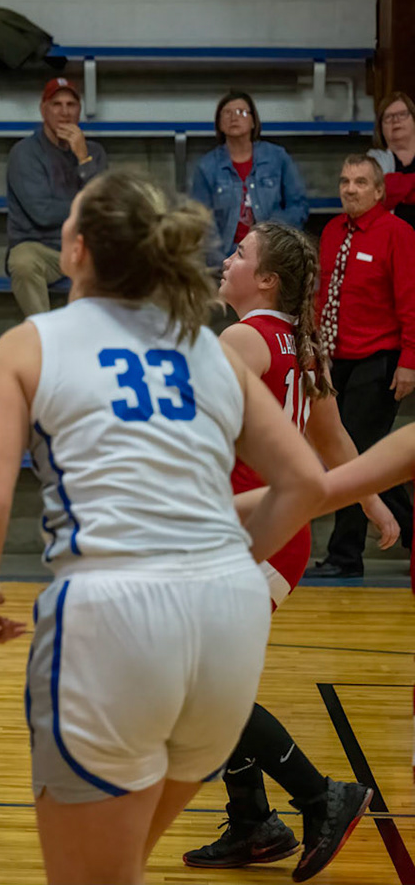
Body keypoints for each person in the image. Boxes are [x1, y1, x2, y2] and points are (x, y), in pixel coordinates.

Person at [0, 171, 329, 885]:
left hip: (114, 612)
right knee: (121, 865)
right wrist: (225, 564)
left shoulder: (33, 342)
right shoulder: (206, 348)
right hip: (229, 619)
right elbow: (307, 484)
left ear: (75, 250)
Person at [181, 221, 387, 879]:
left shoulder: (243, 339)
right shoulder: (300, 344)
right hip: (278, 537)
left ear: (266, 280)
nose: (227, 259)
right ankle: (253, 824)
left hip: (250, 532)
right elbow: (334, 441)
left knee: (202, 686)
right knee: (212, 682)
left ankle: (321, 797)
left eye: (241, 254)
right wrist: (373, 502)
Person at [304, 154, 415, 578]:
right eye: (345, 181)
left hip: (379, 358)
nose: (350, 189)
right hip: (335, 358)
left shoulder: (397, 233)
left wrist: (409, 361)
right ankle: (409, 529)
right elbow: (320, 296)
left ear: (379, 191)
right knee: (362, 456)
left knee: (352, 459)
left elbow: (410, 300)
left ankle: (345, 555)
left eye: (361, 182)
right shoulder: (334, 230)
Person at [7, 78, 109, 317]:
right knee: (23, 263)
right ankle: (45, 333)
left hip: (84, 247)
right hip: (41, 247)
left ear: (79, 110)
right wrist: (87, 208)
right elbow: (42, 213)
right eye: (57, 104)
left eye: (71, 105)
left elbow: (105, 208)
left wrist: (84, 160)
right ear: (44, 110)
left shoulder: (94, 153)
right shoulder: (25, 153)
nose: (64, 112)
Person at [188, 91, 309, 261]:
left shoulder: (276, 157)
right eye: (227, 113)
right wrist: (223, 262)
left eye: (241, 112)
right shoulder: (207, 166)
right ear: (219, 124)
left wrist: (273, 237)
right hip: (224, 256)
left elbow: (298, 206)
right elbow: (200, 220)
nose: (234, 117)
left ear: (253, 121)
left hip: (272, 253)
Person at [368, 90, 415, 229]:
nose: (396, 120)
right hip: (389, 238)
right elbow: (376, 198)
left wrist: (399, 187)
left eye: (402, 114)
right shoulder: (372, 160)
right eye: (388, 117)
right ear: (381, 128)